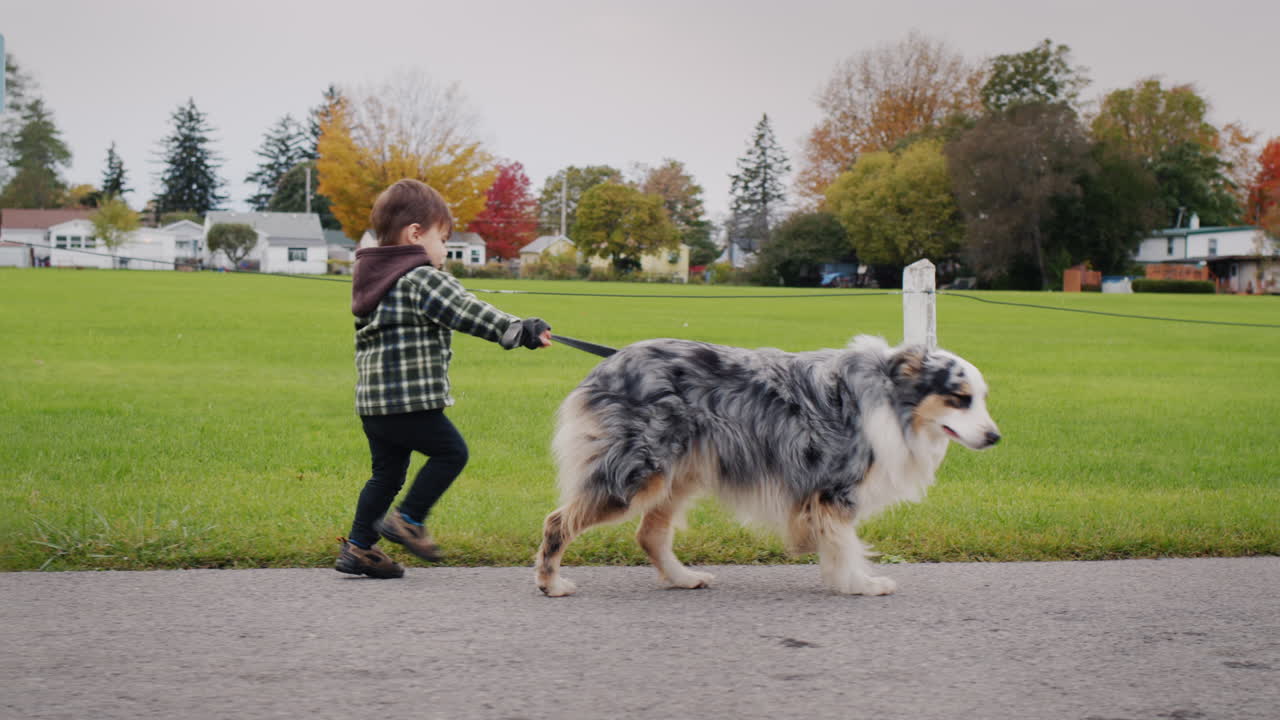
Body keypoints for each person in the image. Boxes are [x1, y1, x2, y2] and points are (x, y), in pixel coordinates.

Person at [336, 179, 552, 579]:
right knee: (452, 453)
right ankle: (409, 519)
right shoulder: (421, 277)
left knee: (385, 475)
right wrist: (521, 329)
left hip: (374, 407)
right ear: (415, 234)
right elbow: (466, 310)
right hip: (409, 403)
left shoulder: (372, 278)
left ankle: (359, 548)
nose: (444, 250)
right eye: (443, 239)